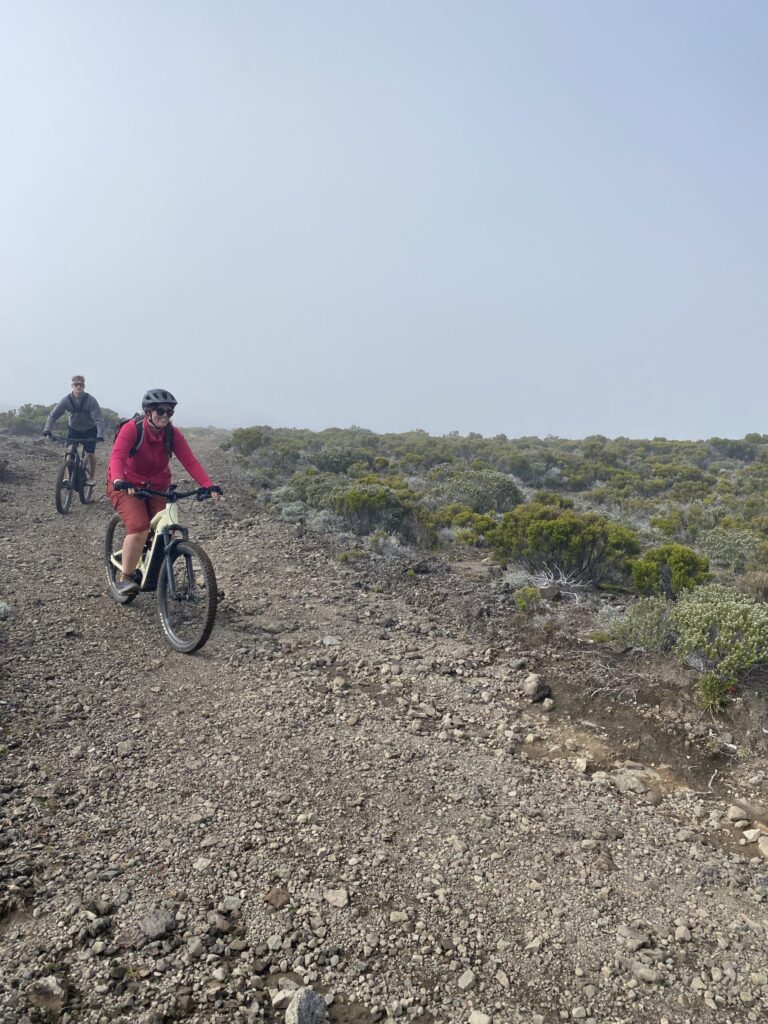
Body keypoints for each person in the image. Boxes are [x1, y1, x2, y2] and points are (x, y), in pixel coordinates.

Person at [108, 388, 222, 595]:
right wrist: (118, 479)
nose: (165, 416)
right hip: (127, 484)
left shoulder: (171, 433)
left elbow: (190, 460)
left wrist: (208, 485)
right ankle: (125, 577)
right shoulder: (133, 429)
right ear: (148, 412)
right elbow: (117, 456)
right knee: (139, 527)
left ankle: (156, 572)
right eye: (160, 411)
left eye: (170, 412)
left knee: (166, 530)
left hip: (157, 485)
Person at [42, 374, 106, 483]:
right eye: (76, 384)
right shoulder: (66, 400)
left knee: (90, 453)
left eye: (80, 384)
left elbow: (99, 419)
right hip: (74, 430)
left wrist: (100, 434)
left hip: (89, 430)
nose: (78, 387)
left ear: (84, 386)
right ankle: (68, 476)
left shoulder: (91, 400)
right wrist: (47, 429)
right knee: (69, 452)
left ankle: (91, 478)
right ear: (72, 386)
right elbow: (53, 415)